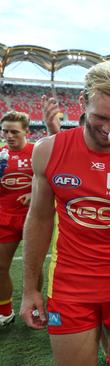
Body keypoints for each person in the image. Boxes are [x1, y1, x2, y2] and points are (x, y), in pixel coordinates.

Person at [20, 61, 110, 366]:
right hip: (70, 285)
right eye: (99, 117)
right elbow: (39, 220)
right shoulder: (49, 151)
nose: (108, 129)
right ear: (82, 103)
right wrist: (30, 290)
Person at [0, 111, 34, 327]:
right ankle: (5, 311)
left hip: (33, 218)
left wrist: (35, 193)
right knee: (0, 266)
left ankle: (35, 306)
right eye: (5, 131)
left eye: (14, 132)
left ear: (26, 132)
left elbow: (51, 181)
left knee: (33, 268)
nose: (9, 136)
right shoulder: (0, 155)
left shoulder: (37, 152)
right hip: (5, 217)